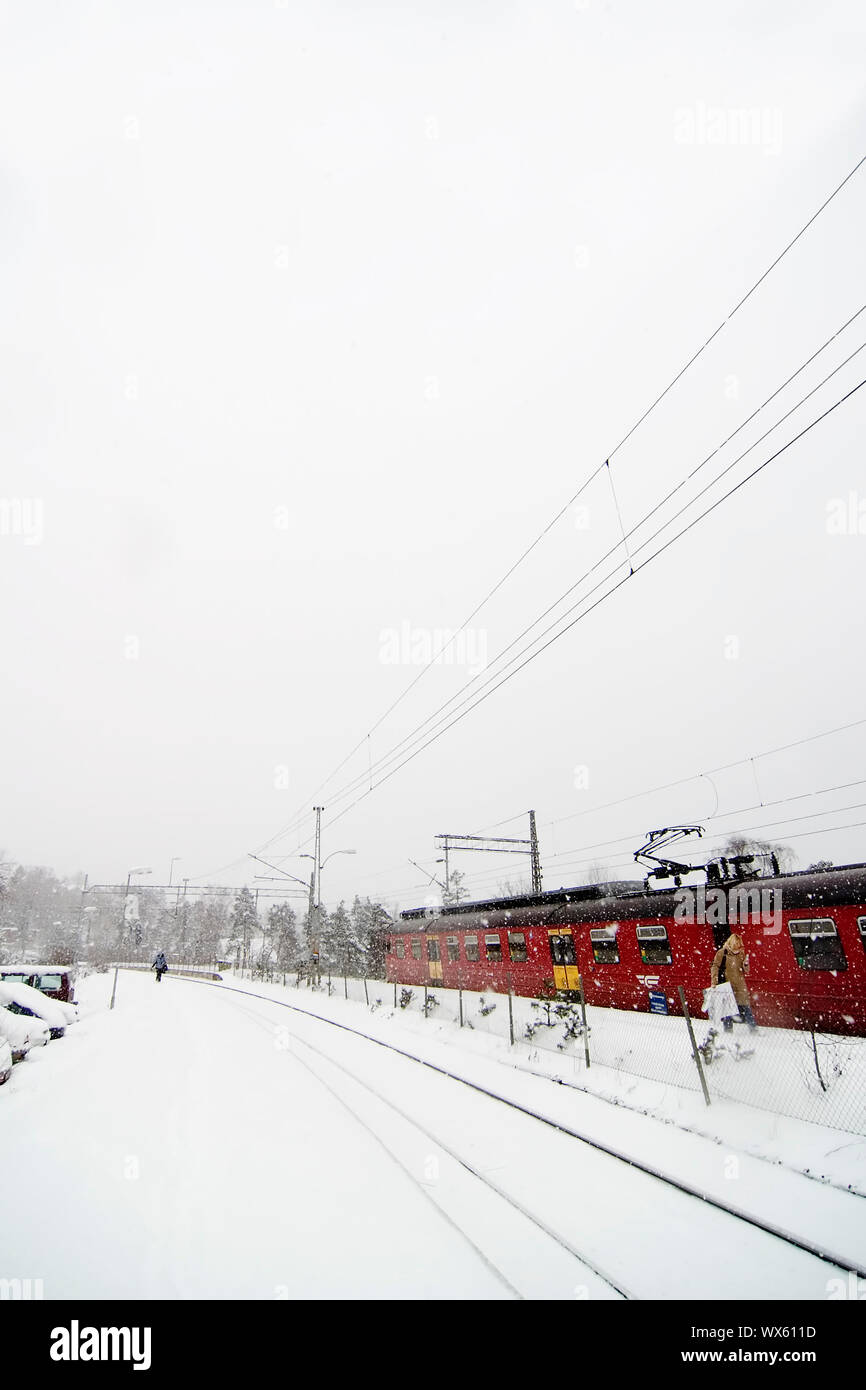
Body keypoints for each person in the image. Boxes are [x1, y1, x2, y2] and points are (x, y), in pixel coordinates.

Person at [710, 932, 757, 1032]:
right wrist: (714, 981)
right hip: (727, 986)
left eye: (739, 947)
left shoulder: (741, 954)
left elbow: (746, 971)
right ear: (731, 944)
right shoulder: (722, 953)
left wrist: (746, 964)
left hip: (740, 985)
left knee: (746, 1007)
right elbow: (715, 967)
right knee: (728, 1010)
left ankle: (753, 1030)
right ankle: (728, 1031)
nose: (738, 949)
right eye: (736, 946)